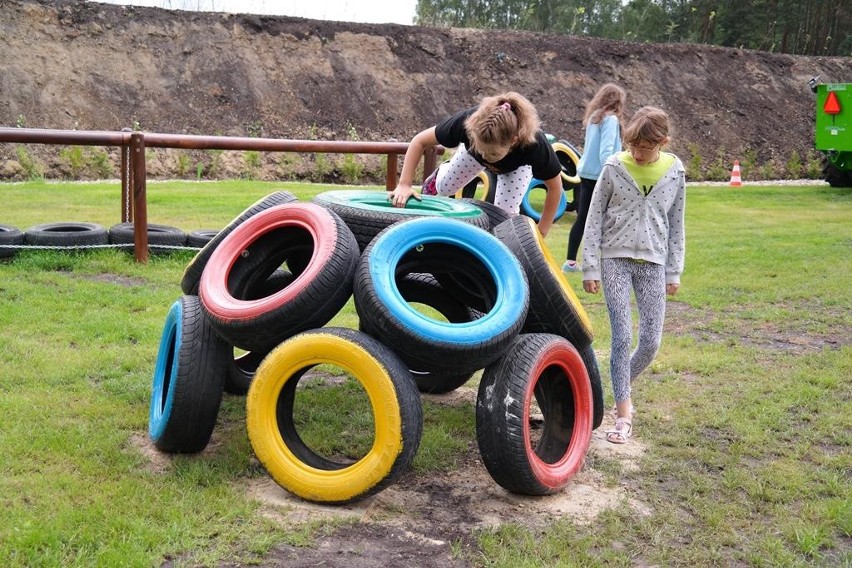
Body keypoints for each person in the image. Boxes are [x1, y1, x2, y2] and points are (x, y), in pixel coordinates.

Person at [581, 106, 686, 444]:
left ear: (663, 142)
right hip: (615, 260)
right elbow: (593, 217)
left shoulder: (675, 172)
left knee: (651, 342)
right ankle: (623, 414)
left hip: (654, 264)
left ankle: (615, 385)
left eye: (645, 148)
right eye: (633, 147)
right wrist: (590, 266)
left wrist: (674, 270)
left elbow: (677, 224)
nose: (638, 154)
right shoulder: (614, 167)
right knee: (622, 337)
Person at [388, 91, 564, 236]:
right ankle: (438, 177)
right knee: (446, 187)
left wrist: (541, 231)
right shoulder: (466, 123)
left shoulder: (534, 146)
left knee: (505, 218)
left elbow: (555, 188)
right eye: (484, 151)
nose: (487, 157)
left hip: (516, 167)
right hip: (472, 154)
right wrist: (404, 184)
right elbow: (419, 140)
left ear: (513, 141)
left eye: (493, 153)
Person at [562, 83, 626, 273]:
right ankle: (605, 262)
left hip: (586, 173)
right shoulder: (611, 119)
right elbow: (606, 150)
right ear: (617, 101)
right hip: (601, 175)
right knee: (607, 219)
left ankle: (570, 263)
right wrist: (613, 173)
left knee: (583, 218)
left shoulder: (594, 117)